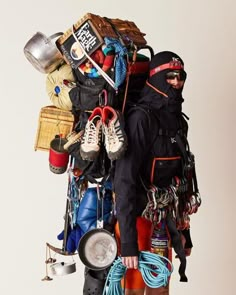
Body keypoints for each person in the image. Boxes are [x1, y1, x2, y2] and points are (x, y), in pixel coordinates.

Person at [113, 51, 193, 295]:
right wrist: (127, 242)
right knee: (134, 291)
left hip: (162, 223)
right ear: (156, 77)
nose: (176, 82)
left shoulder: (178, 120)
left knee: (160, 290)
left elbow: (183, 180)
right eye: (170, 76)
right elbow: (124, 180)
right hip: (136, 221)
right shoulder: (140, 118)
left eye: (180, 76)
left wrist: (183, 233)